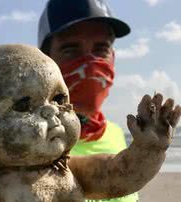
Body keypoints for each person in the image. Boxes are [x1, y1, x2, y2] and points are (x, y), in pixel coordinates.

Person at [38, 0, 139, 201]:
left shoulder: (115, 132)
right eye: (70, 50)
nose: (90, 64)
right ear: (45, 61)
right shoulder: (28, 145)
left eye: (101, 48)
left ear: (113, 57)